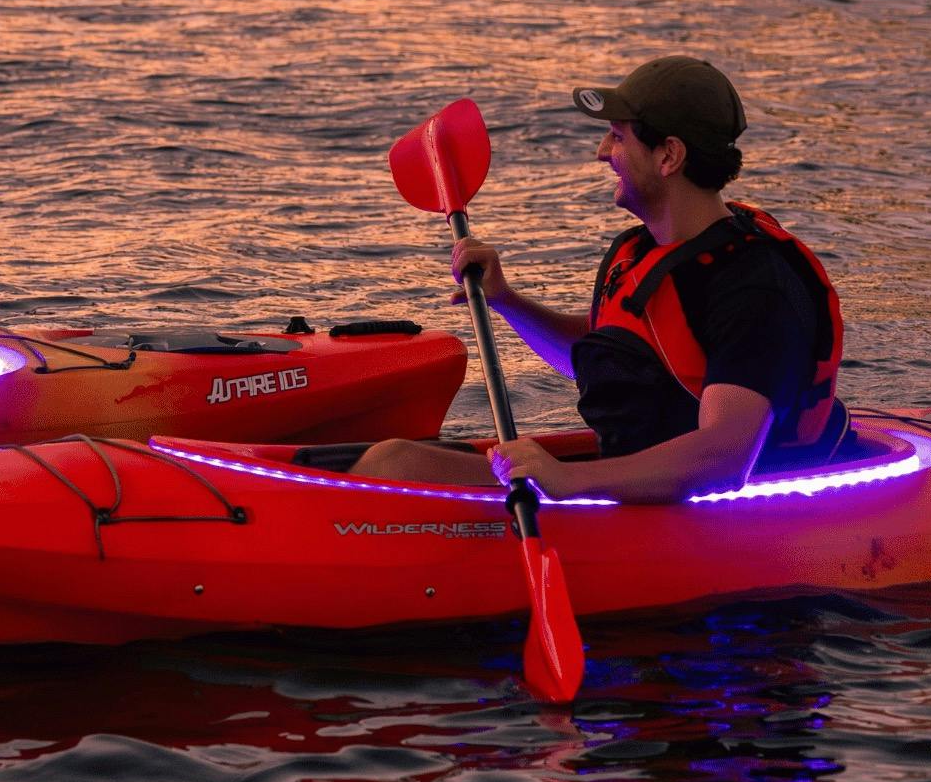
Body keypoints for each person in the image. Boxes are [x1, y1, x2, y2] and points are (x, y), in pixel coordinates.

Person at [354, 54, 849, 503]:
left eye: (618, 136)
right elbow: (598, 357)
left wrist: (569, 483)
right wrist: (506, 299)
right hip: (632, 481)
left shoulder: (753, 286)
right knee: (394, 460)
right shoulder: (637, 252)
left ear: (668, 156)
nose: (601, 150)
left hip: (713, 512)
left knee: (392, 470)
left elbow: (723, 458)